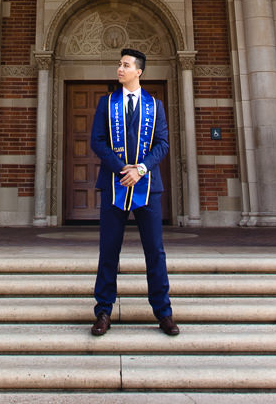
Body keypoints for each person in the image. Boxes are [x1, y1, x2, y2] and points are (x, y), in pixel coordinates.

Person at [89, 47, 177, 336]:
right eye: (119, 64)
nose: (120, 69)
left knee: (155, 252)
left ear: (138, 71)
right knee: (108, 252)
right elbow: (97, 141)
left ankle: (163, 312)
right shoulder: (107, 103)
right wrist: (120, 169)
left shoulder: (155, 106)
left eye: (125, 65)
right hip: (114, 185)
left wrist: (140, 169)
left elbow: (162, 144)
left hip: (147, 188)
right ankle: (103, 311)